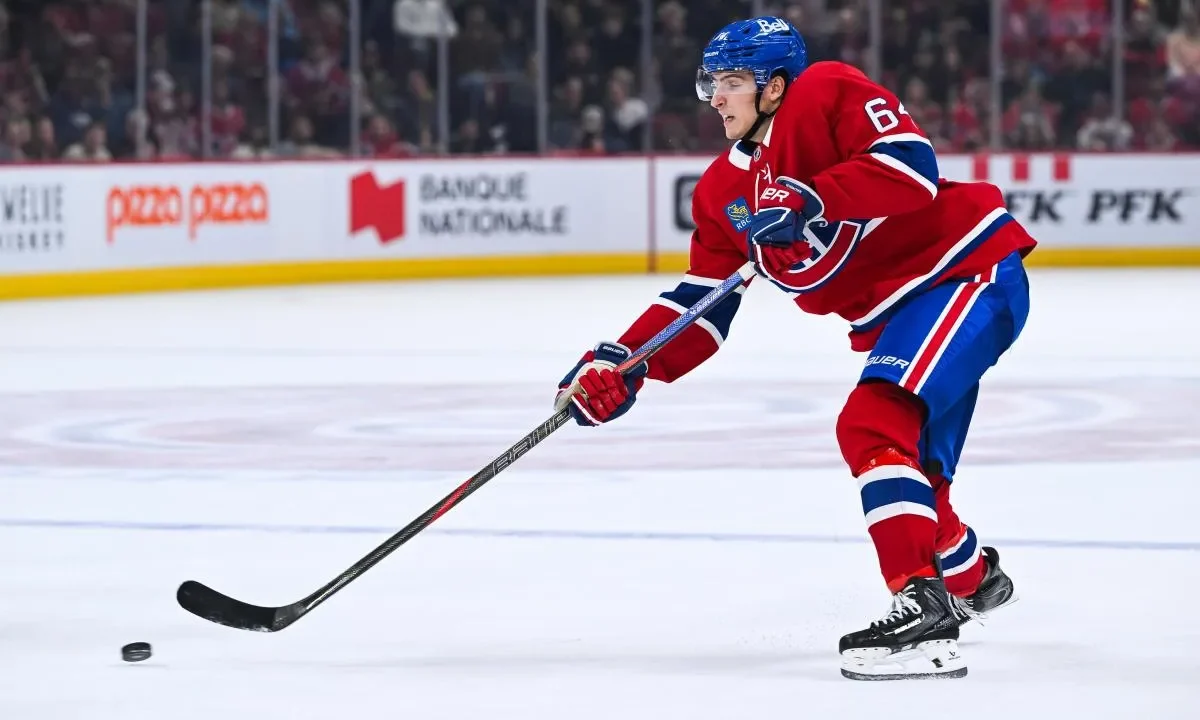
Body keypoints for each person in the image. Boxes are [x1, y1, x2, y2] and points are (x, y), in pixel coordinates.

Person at [555, 16, 1033, 680]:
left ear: (775, 88)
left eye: (731, 83)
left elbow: (912, 169)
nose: (715, 99)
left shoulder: (828, 93)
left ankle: (923, 607)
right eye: (711, 84)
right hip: (902, 316)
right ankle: (973, 577)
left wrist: (813, 196)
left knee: (869, 424)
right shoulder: (725, 193)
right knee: (914, 476)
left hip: (964, 272)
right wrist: (623, 365)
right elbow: (702, 303)